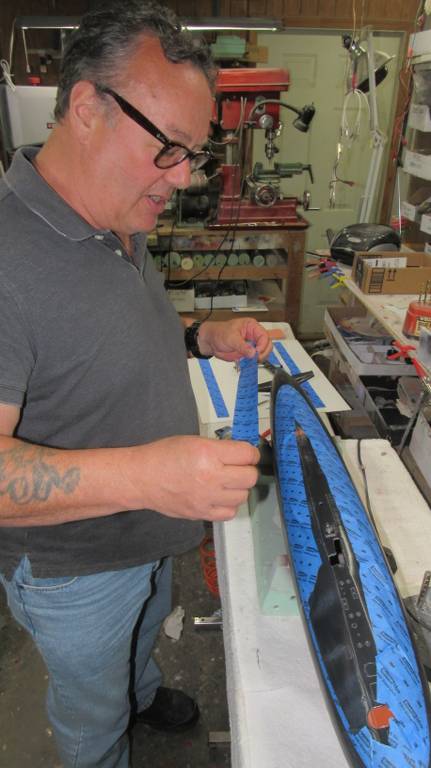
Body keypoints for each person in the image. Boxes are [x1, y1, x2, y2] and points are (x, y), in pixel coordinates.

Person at [0, 2, 272, 767]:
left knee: (146, 624)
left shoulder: (115, 211)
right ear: (89, 107)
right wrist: (151, 475)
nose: (183, 177)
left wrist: (199, 335)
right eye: (170, 148)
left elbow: (106, 326)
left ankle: (141, 689)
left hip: (149, 525)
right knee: (91, 710)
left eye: (194, 153)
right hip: (76, 566)